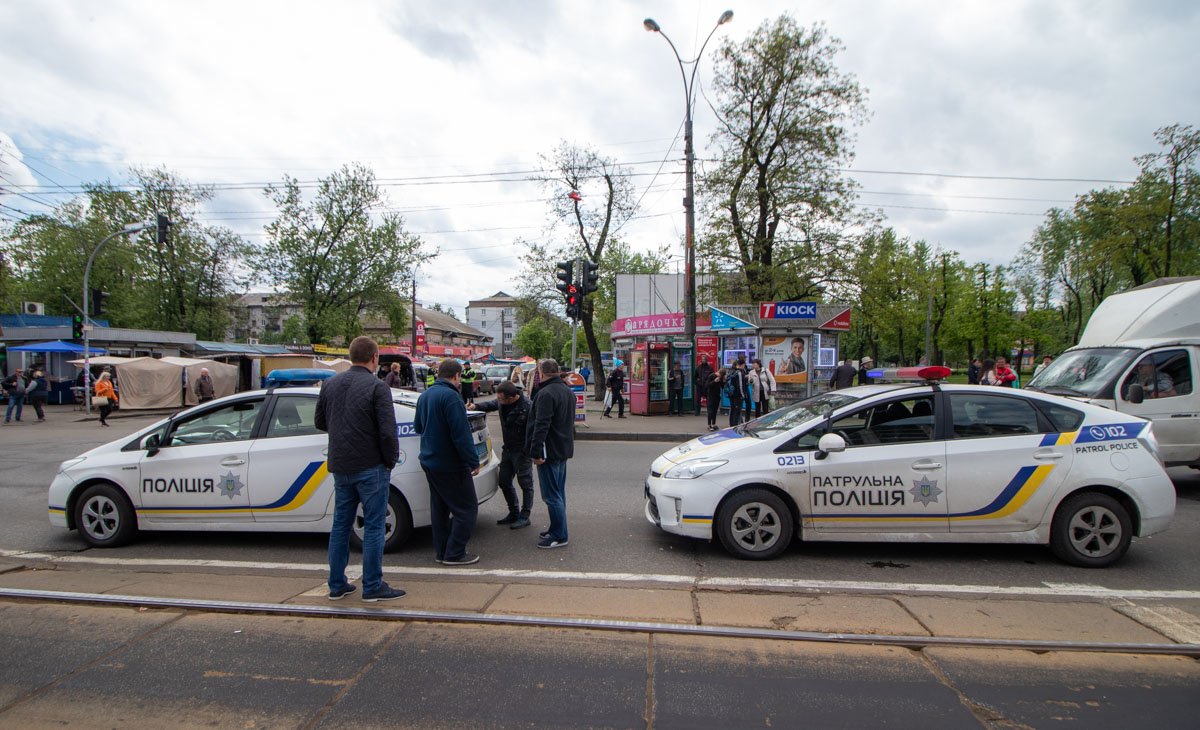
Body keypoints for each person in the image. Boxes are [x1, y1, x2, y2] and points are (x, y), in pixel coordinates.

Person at [315, 336, 404, 602]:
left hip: (341, 465)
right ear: (375, 358)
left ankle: (336, 583)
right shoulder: (377, 387)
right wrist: (390, 460)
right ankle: (373, 585)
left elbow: (320, 421)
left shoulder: (330, 384)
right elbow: (388, 432)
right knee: (374, 525)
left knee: (341, 524)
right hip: (371, 465)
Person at [415, 359, 482, 566]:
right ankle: (454, 553)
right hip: (450, 463)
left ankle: (442, 551)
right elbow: (461, 435)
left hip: (429, 460)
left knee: (440, 508)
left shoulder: (425, 396)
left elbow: (418, 426)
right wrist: (473, 461)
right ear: (456, 376)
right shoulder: (452, 397)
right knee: (467, 509)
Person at [525, 359, 575, 549]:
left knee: (551, 495)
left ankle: (559, 535)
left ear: (542, 372)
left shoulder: (546, 393)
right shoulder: (566, 391)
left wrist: (536, 451)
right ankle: (557, 528)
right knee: (558, 492)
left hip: (548, 451)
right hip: (562, 449)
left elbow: (541, 425)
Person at [470, 381, 534, 529]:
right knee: (504, 481)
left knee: (526, 484)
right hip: (508, 450)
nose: (499, 401)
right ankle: (514, 512)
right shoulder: (502, 401)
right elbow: (490, 404)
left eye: (502, 399)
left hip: (522, 452)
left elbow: (534, 431)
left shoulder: (528, 407)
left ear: (512, 397)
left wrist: (528, 450)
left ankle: (525, 516)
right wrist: (476, 406)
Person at [725, 358, 749, 427]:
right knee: (737, 411)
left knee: (732, 410)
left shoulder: (731, 371)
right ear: (742, 365)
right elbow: (740, 385)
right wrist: (743, 395)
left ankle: (731, 425)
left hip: (731, 394)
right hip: (737, 395)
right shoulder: (739, 372)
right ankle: (734, 426)